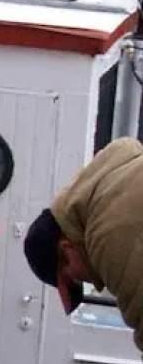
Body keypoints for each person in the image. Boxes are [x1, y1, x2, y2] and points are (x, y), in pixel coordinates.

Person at [23, 136, 143, 352]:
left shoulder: (108, 232)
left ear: (66, 248)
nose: (96, 285)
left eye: (76, 277)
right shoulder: (123, 176)